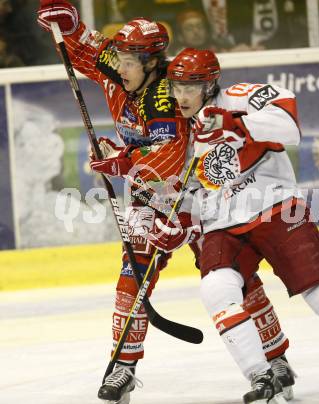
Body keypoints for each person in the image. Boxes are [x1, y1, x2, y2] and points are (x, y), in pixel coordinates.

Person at [36, 2, 295, 403]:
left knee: (235, 277)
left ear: (152, 62)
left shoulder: (164, 95)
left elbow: (169, 155)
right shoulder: (124, 69)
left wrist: (124, 160)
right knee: (132, 276)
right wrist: (68, 27)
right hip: (148, 195)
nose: (119, 68)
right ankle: (122, 367)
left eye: (128, 61)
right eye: (119, 59)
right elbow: (91, 50)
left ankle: (276, 359)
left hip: (196, 196)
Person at [148, 48, 319, 403]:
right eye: (176, 87)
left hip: (275, 207)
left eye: (189, 88)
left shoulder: (239, 97)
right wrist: (175, 222)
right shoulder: (180, 130)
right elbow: (188, 190)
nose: (180, 96)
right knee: (216, 290)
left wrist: (234, 123)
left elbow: (289, 127)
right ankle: (262, 376)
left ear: (210, 84)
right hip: (222, 223)